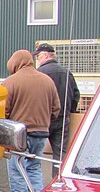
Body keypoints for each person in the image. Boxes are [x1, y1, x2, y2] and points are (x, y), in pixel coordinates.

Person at [1, 49, 60, 192]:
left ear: (15, 63)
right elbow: (56, 109)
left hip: (18, 136)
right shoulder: (47, 81)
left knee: (16, 171)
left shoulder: (11, 82)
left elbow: (3, 111)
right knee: (34, 168)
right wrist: (44, 122)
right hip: (41, 134)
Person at [34, 42, 80, 176]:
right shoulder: (67, 73)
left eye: (38, 56)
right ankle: (59, 181)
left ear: (45, 55)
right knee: (60, 155)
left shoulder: (39, 74)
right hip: (62, 119)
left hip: (42, 120)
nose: (37, 59)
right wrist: (70, 111)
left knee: (35, 155)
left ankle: (36, 185)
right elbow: (76, 95)